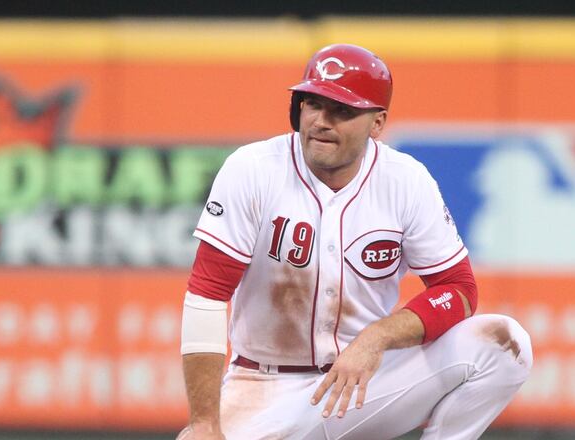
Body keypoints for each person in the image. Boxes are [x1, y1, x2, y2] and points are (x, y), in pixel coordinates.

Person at [178, 43, 532, 440]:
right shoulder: (253, 169)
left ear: (377, 123)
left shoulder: (405, 180)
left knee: (503, 344)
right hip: (263, 388)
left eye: (341, 111)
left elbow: (459, 290)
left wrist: (377, 338)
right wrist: (205, 422)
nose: (320, 121)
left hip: (367, 382)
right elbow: (207, 293)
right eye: (312, 103)